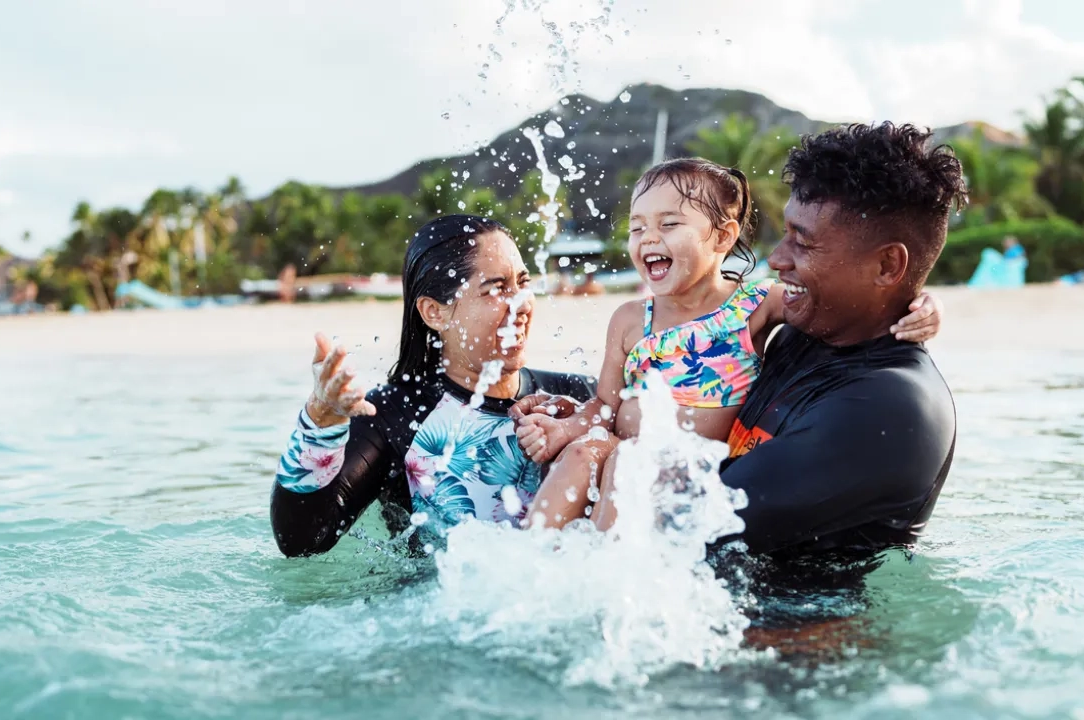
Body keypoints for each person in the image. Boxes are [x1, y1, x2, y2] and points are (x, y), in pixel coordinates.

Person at [516, 158, 943, 530]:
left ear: (722, 238)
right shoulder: (629, 320)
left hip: (691, 465)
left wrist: (923, 305)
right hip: (625, 445)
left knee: (628, 467)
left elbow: (856, 297)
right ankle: (534, 564)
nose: (648, 238)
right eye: (637, 227)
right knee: (579, 455)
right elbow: (604, 406)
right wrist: (564, 429)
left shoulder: (752, 304)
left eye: (668, 224)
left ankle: (601, 576)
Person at [700, 122, 963, 556]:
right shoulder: (805, 333)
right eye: (785, 234)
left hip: (788, 623)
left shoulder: (891, 407)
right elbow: (674, 389)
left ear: (886, 267)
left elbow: (694, 521)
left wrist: (600, 449)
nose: (776, 258)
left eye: (803, 243)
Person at [269, 215, 594, 557]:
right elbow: (301, 541)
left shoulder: (579, 397)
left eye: (523, 283)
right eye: (496, 288)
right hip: (431, 603)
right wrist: (320, 424)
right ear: (434, 313)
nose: (521, 303)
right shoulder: (394, 416)